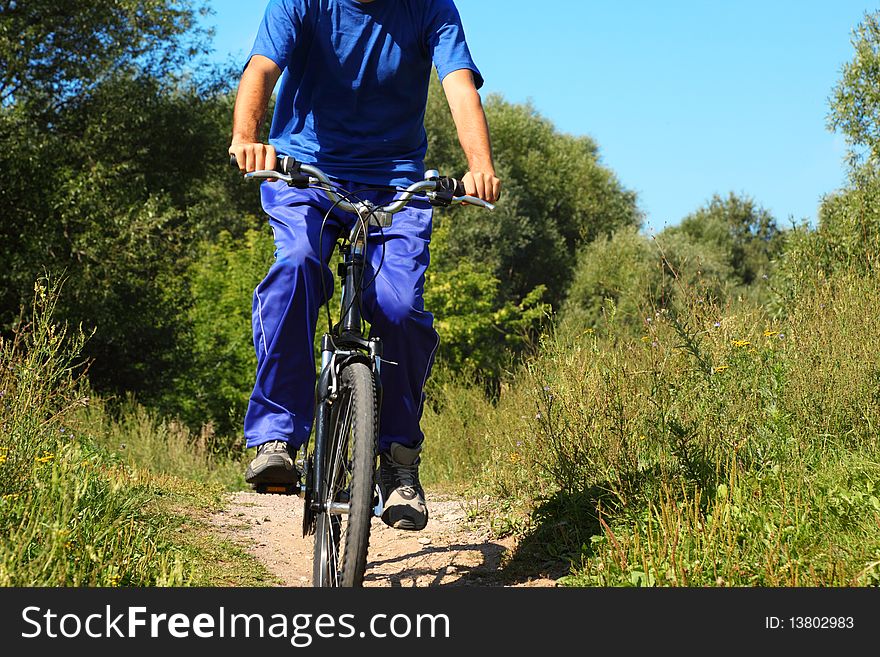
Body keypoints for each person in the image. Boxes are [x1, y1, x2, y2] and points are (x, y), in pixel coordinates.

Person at [229, 0, 501, 532]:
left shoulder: (429, 7)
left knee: (399, 309)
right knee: (299, 266)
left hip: (396, 181)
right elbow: (261, 67)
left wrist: (480, 168)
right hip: (303, 172)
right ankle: (275, 436)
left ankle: (399, 464)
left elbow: (459, 84)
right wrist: (247, 137)